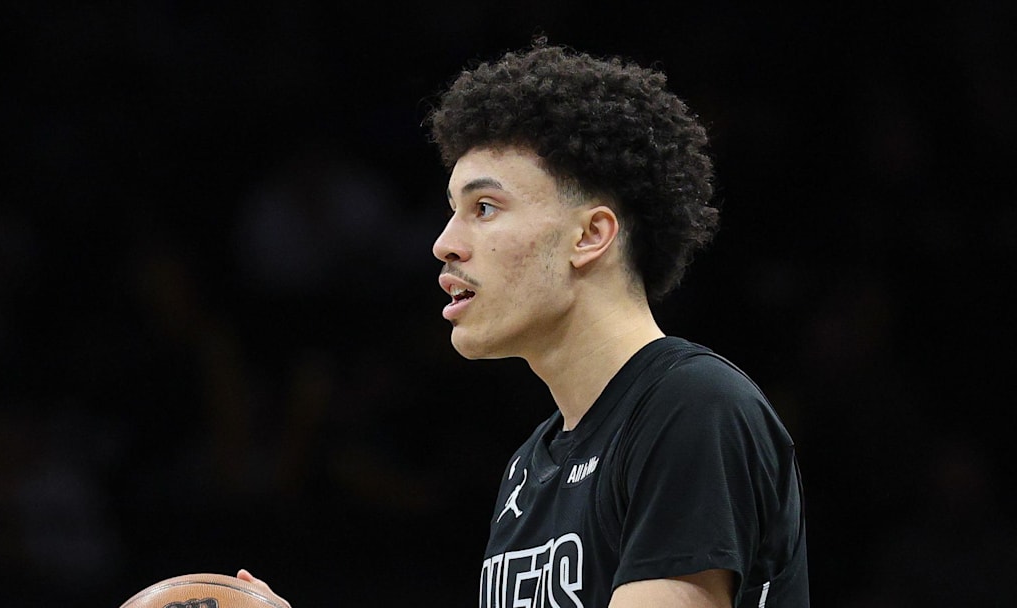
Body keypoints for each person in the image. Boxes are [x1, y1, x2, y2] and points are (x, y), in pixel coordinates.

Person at [241, 40, 809, 607]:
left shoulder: (691, 407)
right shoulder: (527, 468)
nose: (444, 244)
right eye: (452, 211)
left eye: (484, 208)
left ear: (590, 236)